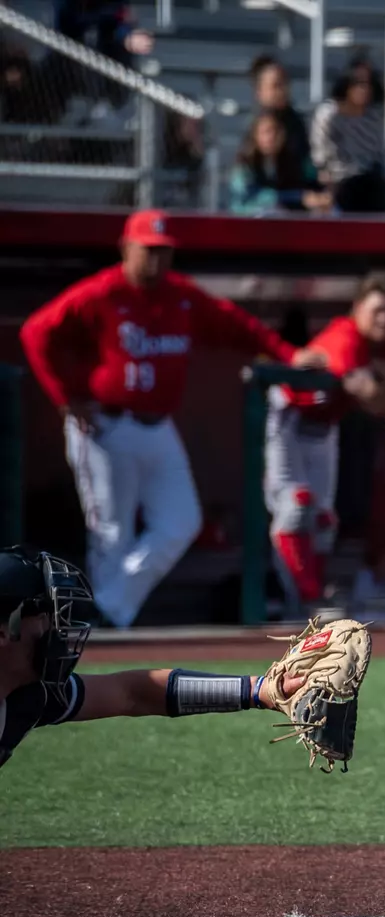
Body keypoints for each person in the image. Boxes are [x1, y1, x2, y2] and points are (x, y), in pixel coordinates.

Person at [0, 547, 359, 917]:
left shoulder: (23, 695)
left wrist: (259, 691)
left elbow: (134, 692)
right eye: (46, 615)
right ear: (5, 628)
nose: (61, 630)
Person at [19, 210, 323, 630]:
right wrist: (66, 397)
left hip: (159, 425)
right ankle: (101, 627)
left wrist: (288, 354)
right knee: (112, 533)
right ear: (127, 249)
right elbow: (36, 332)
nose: (158, 260)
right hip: (106, 425)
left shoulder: (181, 295)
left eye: (164, 252)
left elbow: (237, 324)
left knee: (182, 520)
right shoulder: (102, 293)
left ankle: (100, 612)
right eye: (149, 251)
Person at [265, 274, 385, 616]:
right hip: (289, 417)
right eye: (376, 311)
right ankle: (304, 600)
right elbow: (372, 398)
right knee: (296, 507)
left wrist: (382, 368)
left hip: (324, 427)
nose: (384, 319)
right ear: (357, 310)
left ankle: (310, 597)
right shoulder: (346, 335)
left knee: (325, 519)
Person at [311, 57, 385, 215]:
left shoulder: (373, 118)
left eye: (368, 84)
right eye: (358, 84)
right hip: (341, 180)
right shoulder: (329, 115)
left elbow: (379, 155)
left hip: (371, 178)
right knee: (362, 186)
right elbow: (321, 156)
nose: (364, 89)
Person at [228, 109, 329, 215]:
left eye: (276, 131)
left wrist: (321, 195)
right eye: (266, 132)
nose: (271, 137)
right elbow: (253, 198)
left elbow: (310, 181)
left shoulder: (291, 161)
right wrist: (298, 197)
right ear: (255, 135)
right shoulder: (244, 165)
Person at [249, 54, 310, 166]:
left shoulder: (296, 123)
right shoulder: (253, 127)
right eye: (275, 86)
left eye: (285, 84)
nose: (282, 91)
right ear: (259, 91)